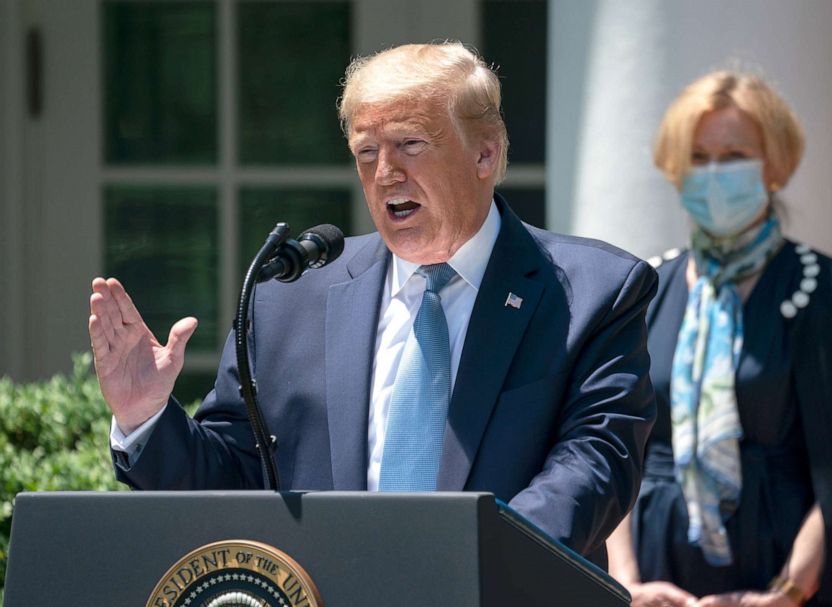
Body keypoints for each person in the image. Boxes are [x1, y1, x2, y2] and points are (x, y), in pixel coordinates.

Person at [88, 42, 658, 565]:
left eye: (410, 144)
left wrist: (467, 562)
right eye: (366, 151)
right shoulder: (289, 299)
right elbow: (235, 483)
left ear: (486, 154)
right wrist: (146, 418)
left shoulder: (593, 291)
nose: (386, 173)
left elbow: (594, 463)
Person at [606, 71, 832, 607]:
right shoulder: (643, 290)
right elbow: (617, 448)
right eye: (699, 156)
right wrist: (625, 586)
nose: (715, 172)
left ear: (774, 165)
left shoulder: (827, 291)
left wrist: (782, 599)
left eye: (735, 155)